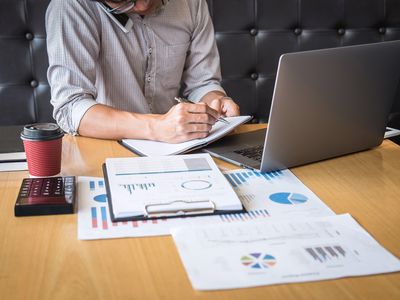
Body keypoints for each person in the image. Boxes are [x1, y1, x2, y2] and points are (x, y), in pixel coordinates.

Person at [46, 0, 240, 143]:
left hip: (177, 145)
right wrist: (156, 127)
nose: (143, 5)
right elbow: (70, 107)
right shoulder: (70, 6)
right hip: (103, 145)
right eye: (124, 2)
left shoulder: (191, 4)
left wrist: (217, 102)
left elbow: (202, 83)